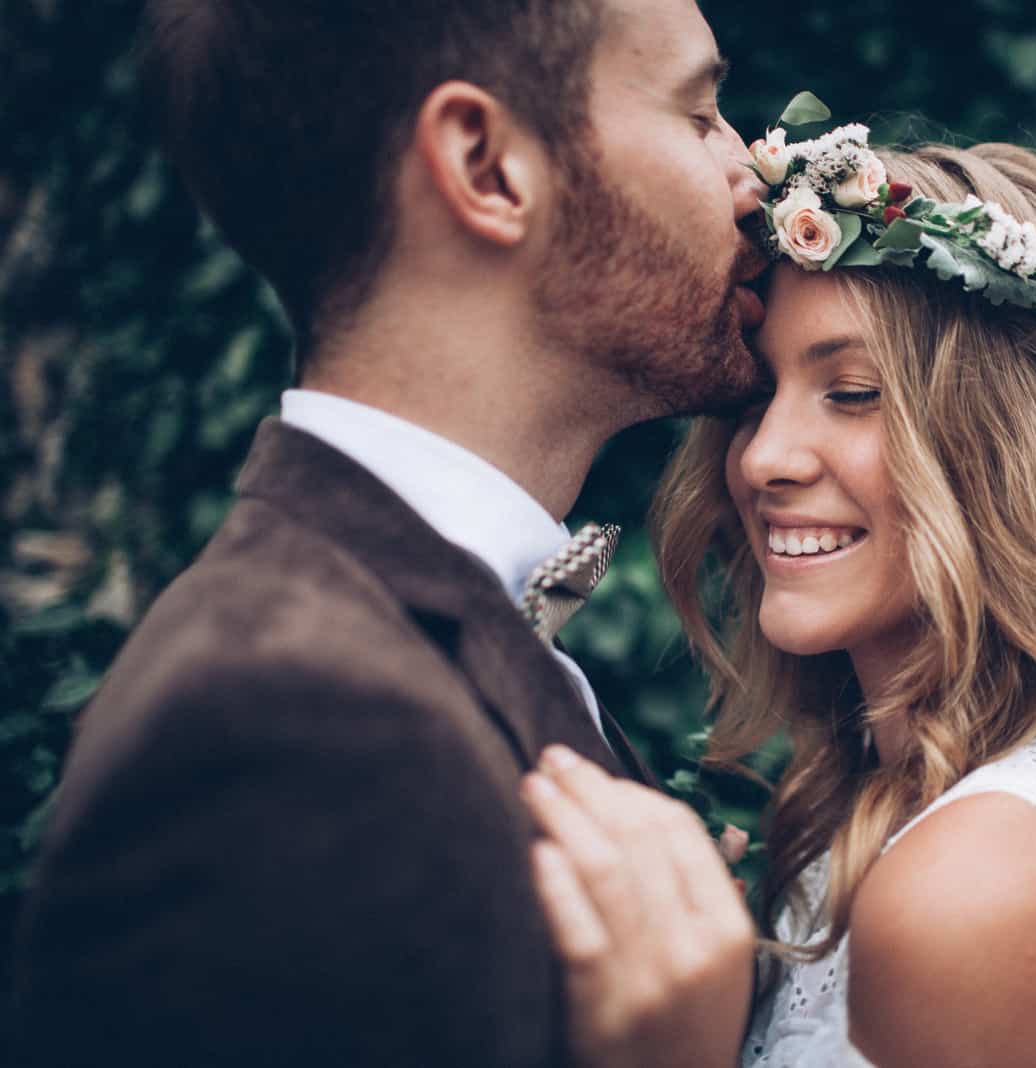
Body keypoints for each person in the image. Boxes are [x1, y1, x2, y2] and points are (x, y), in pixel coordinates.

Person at [12, 1, 766, 1064]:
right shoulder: (283, 723)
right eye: (698, 114)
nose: (753, 173)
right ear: (486, 165)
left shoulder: (391, 635)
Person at [521, 131, 1036, 1066]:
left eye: (853, 392)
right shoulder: (893, 817)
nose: (765, 458)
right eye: (756, 394)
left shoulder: (978, 881)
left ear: (1016, 452)